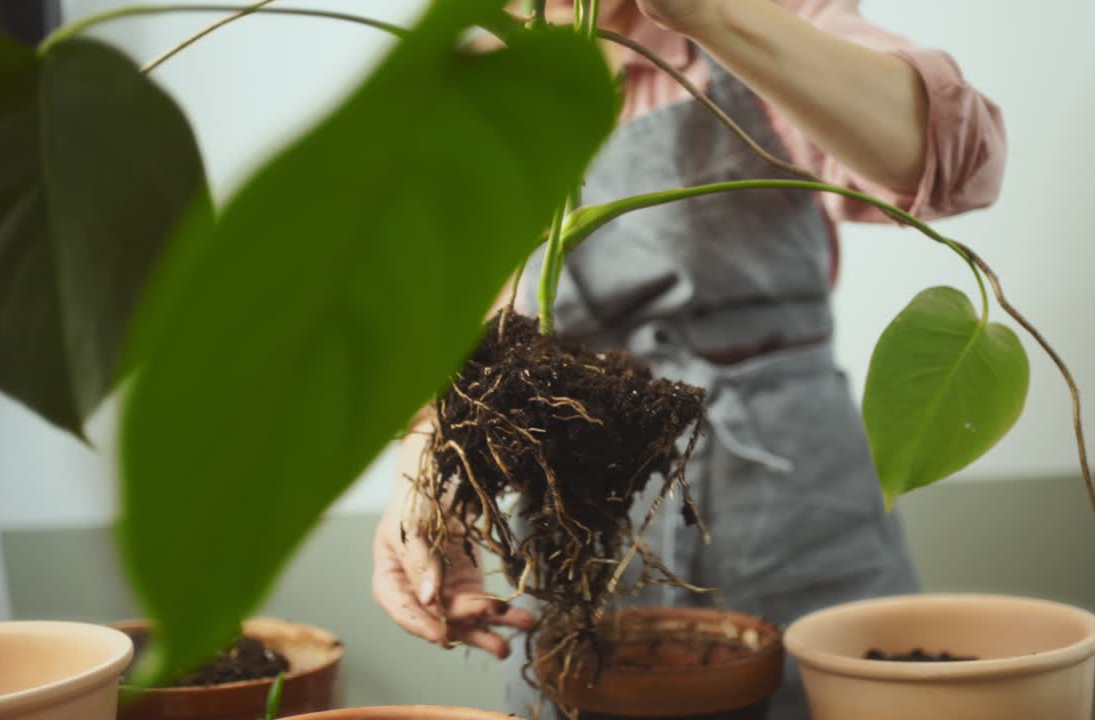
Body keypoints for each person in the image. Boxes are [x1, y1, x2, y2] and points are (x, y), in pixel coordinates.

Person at [373, 0, 1007, 716]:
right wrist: (432, 458)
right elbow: (446, 317)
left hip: (792, 490)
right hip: (579, 507)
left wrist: (713, 17)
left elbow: (956, 160)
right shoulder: (468, 78)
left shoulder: (741, 13)